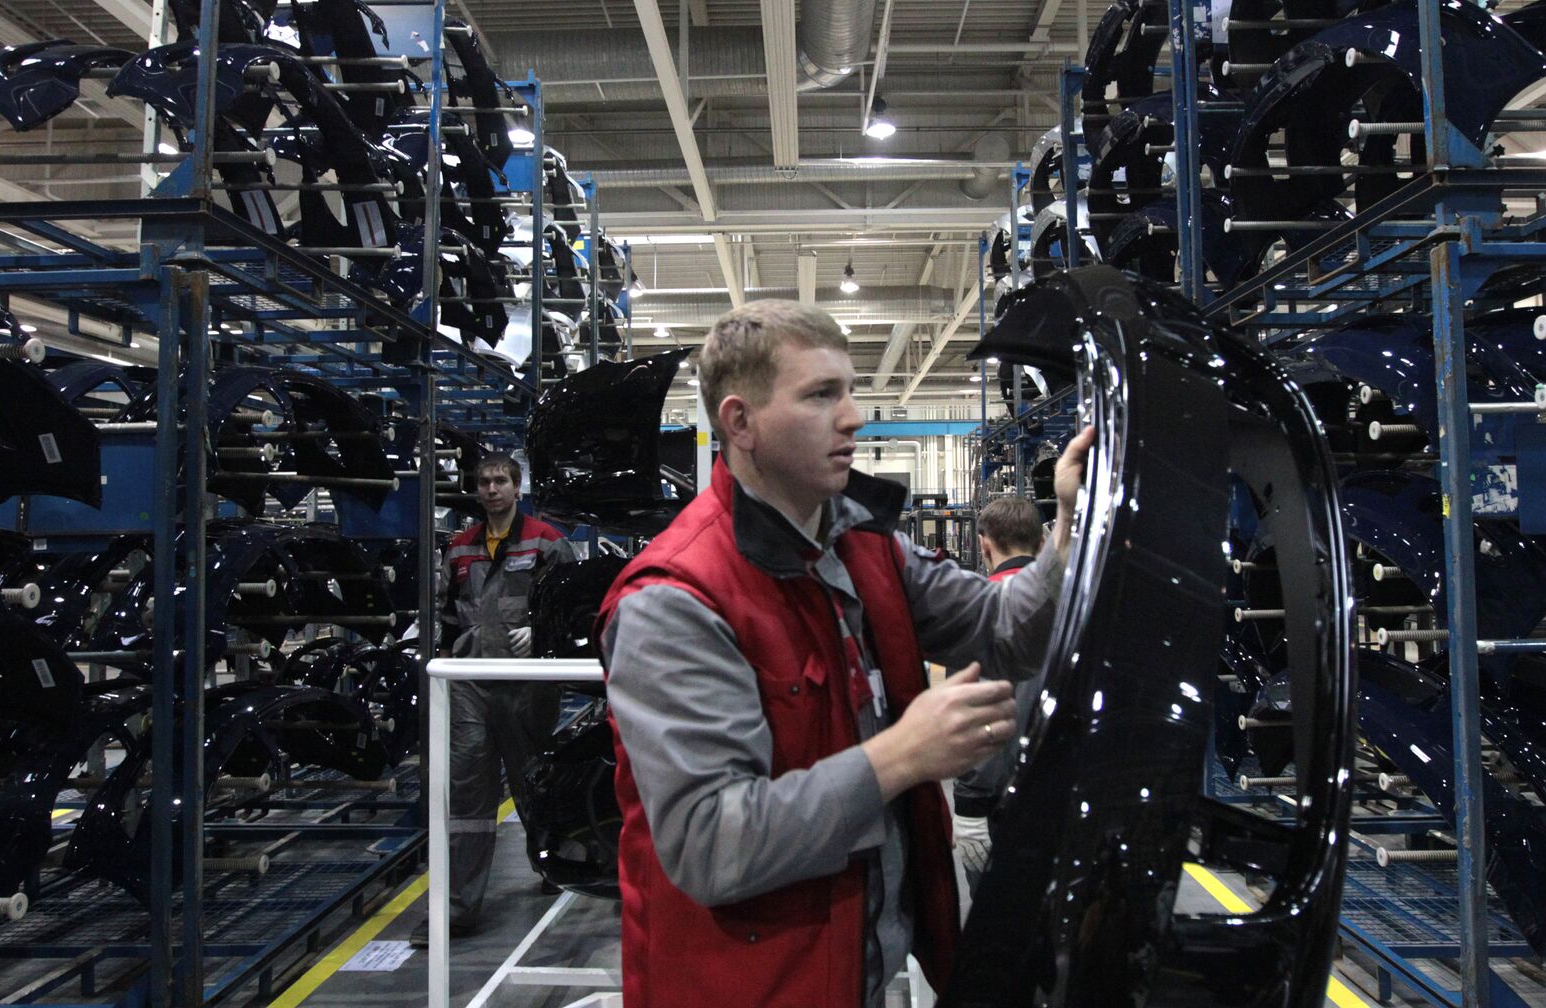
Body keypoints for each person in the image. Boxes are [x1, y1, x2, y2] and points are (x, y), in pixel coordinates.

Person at [600, 300, 1095, 1008]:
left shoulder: (865, 544)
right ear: (740, 423)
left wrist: (1070, 522)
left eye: (852, 389)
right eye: (822, 395)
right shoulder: (675, 600)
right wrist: (903, 754)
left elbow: (1006, 628)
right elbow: (711, 842)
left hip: (855, 963)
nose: (855, 415)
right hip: (749, 985)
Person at [421, 452, 576, 943]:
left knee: (532, 777)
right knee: (467, 793)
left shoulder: (547, 543)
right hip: (470, 680)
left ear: (516, 487)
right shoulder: (460, 547)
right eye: (484, 481)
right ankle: (457, 909)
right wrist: (444, 669)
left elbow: (572, 610)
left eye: (500, 481)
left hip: (526, 683)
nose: (491, 489)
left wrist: (542, 632)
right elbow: (447, 615)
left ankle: (552, 863)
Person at [950, 495, 1045, 890]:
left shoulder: (977, 608)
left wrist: (969, 806)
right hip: (1062, 796)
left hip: (996, 804)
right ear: (1041, 543)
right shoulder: (1075, 601)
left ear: (984, 544)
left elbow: (975, 716)